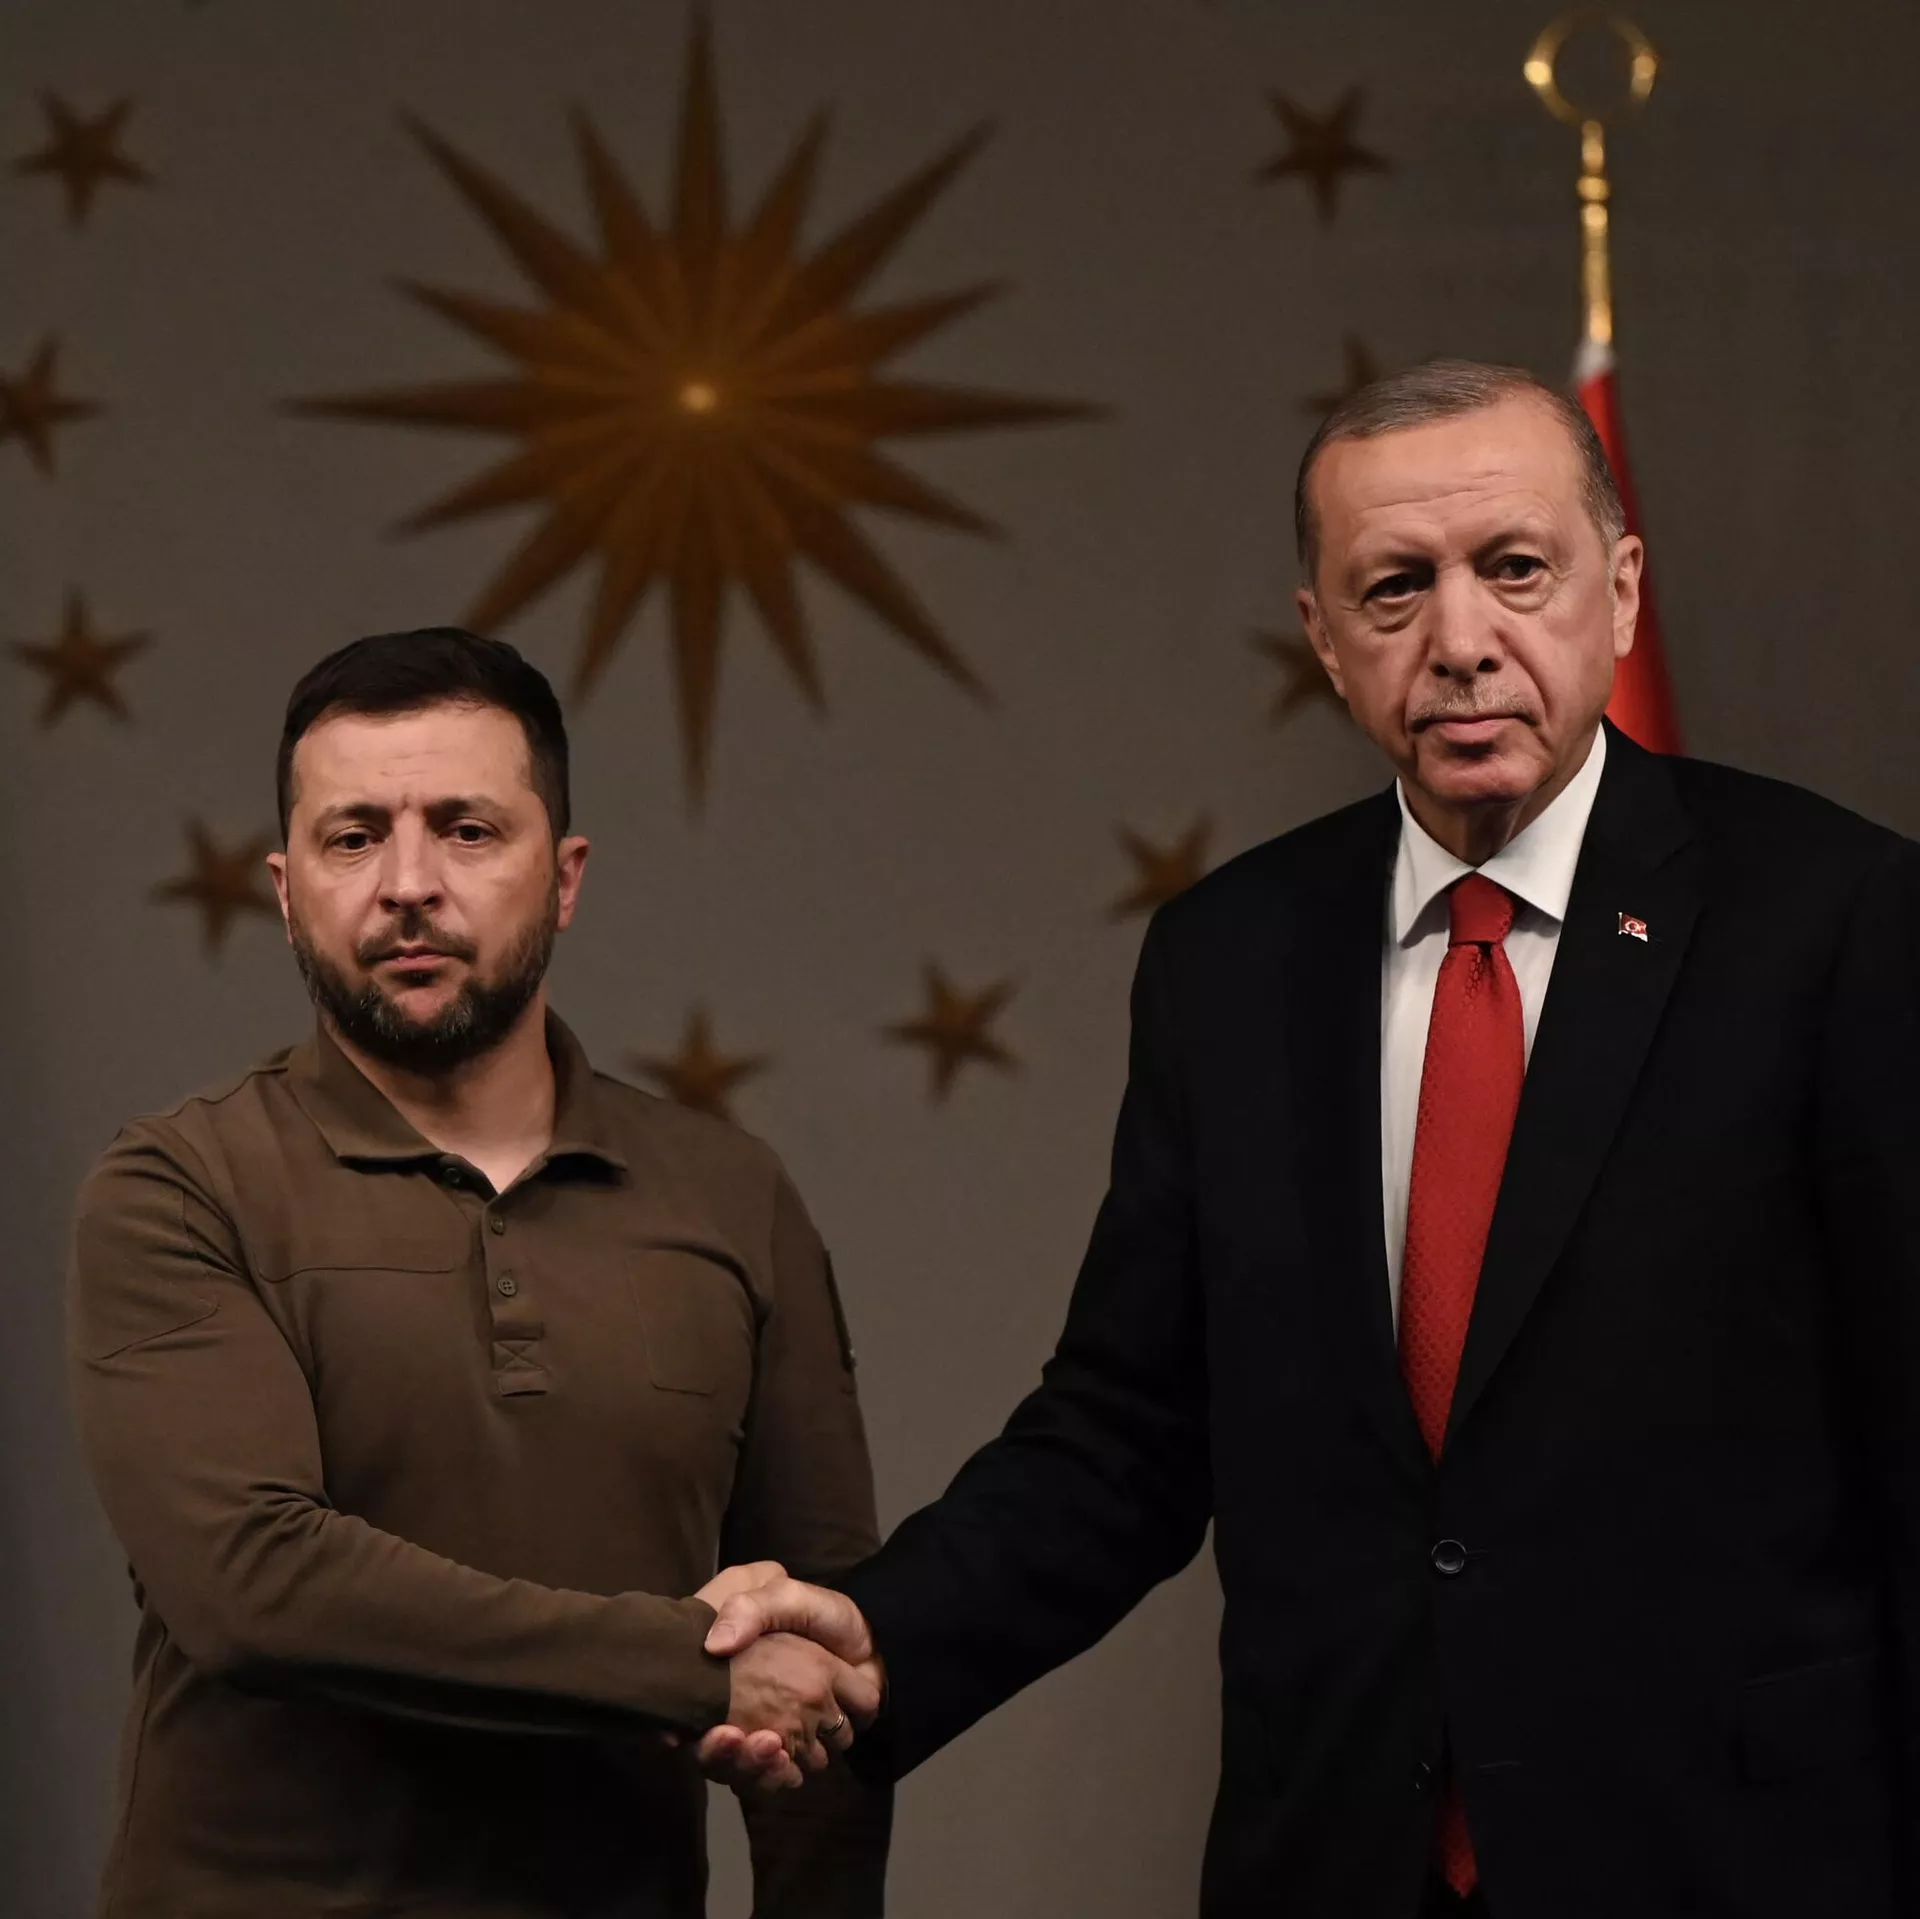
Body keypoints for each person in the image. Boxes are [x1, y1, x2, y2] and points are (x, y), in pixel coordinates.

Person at [694, 361, 1920, 1919]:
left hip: (1733, 1864)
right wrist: (888, 1634)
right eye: (1394, 588)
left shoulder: (1834, 918)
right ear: (1324, 640)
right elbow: (1127, 1431)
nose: (1460, 639)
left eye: (1515, 569)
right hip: (1340, 1858)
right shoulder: (1230, 958)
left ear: (1619, 592)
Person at [67, 629, 890, 1918]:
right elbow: (253, 1586)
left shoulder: (732, 1194)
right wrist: (685, 1663)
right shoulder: (178, 1186)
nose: (409, 885)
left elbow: (822, 1651)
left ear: (563, 877)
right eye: (353, 838)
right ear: (284, 889)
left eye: (466, 830)